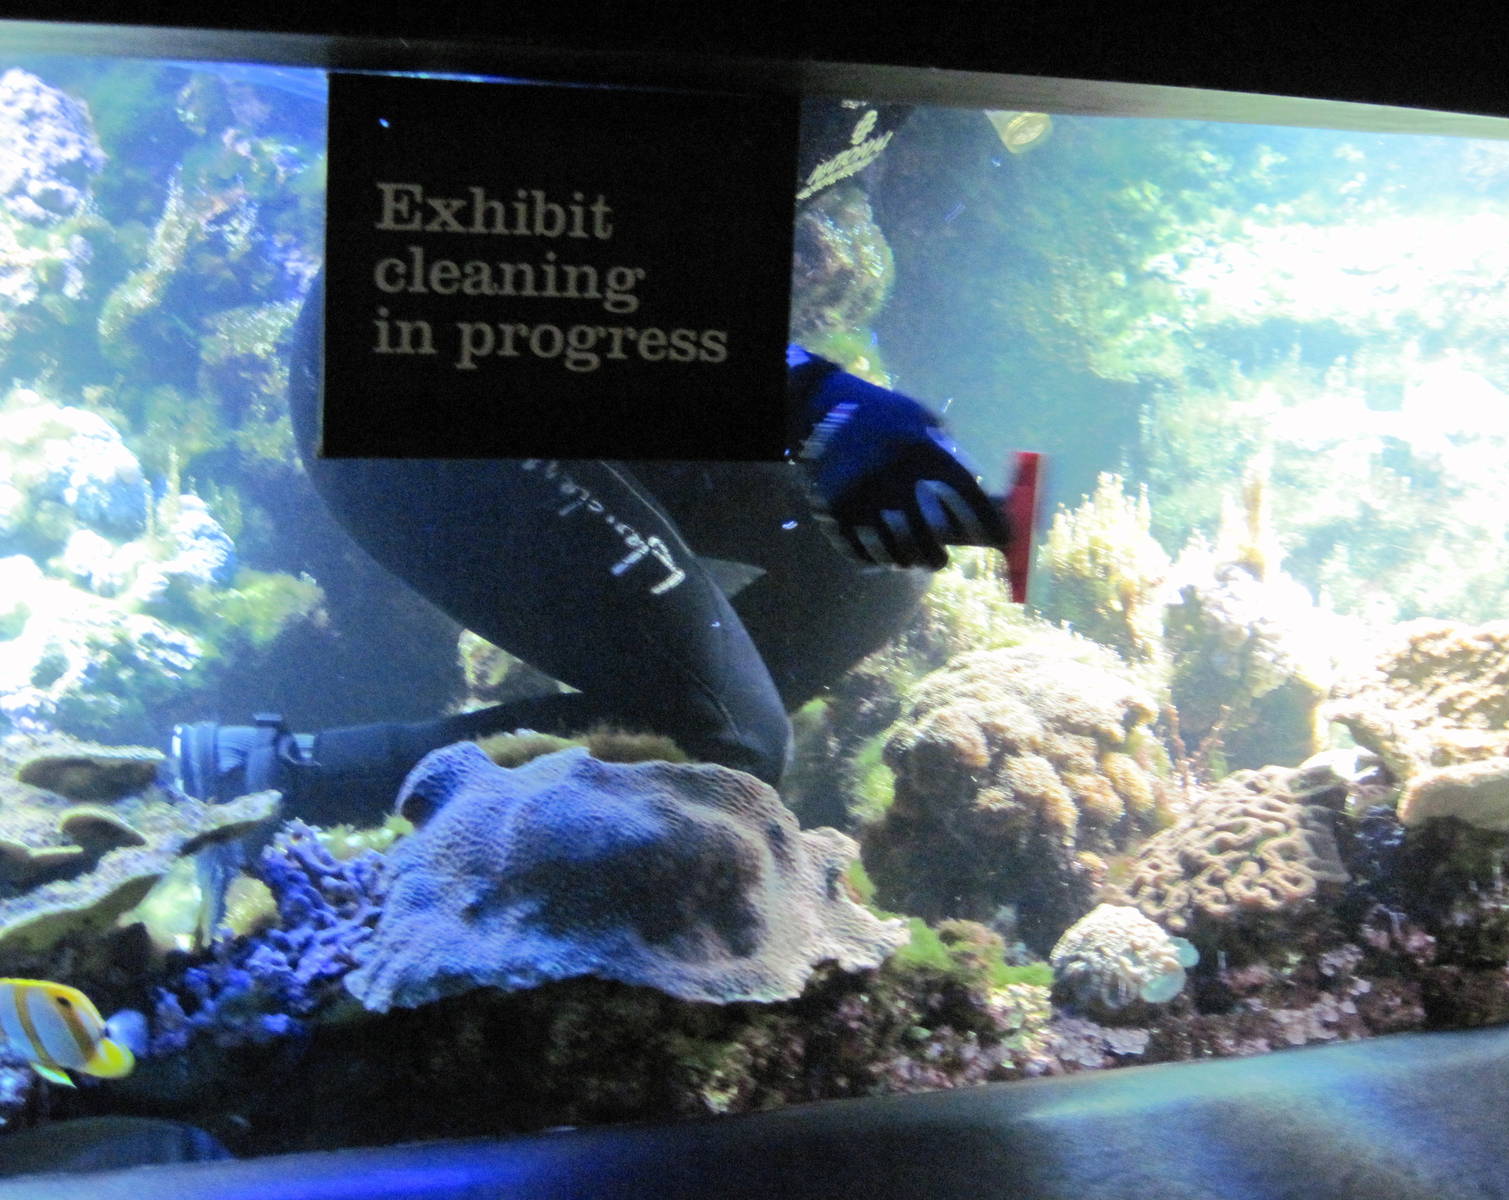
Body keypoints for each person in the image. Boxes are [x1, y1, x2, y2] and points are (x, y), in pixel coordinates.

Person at [173, 100, 1011, 824]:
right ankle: (271, 778)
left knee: (871, 566)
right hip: (417, 372)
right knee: (736, 741)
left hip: (571, 350)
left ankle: (668, 742)